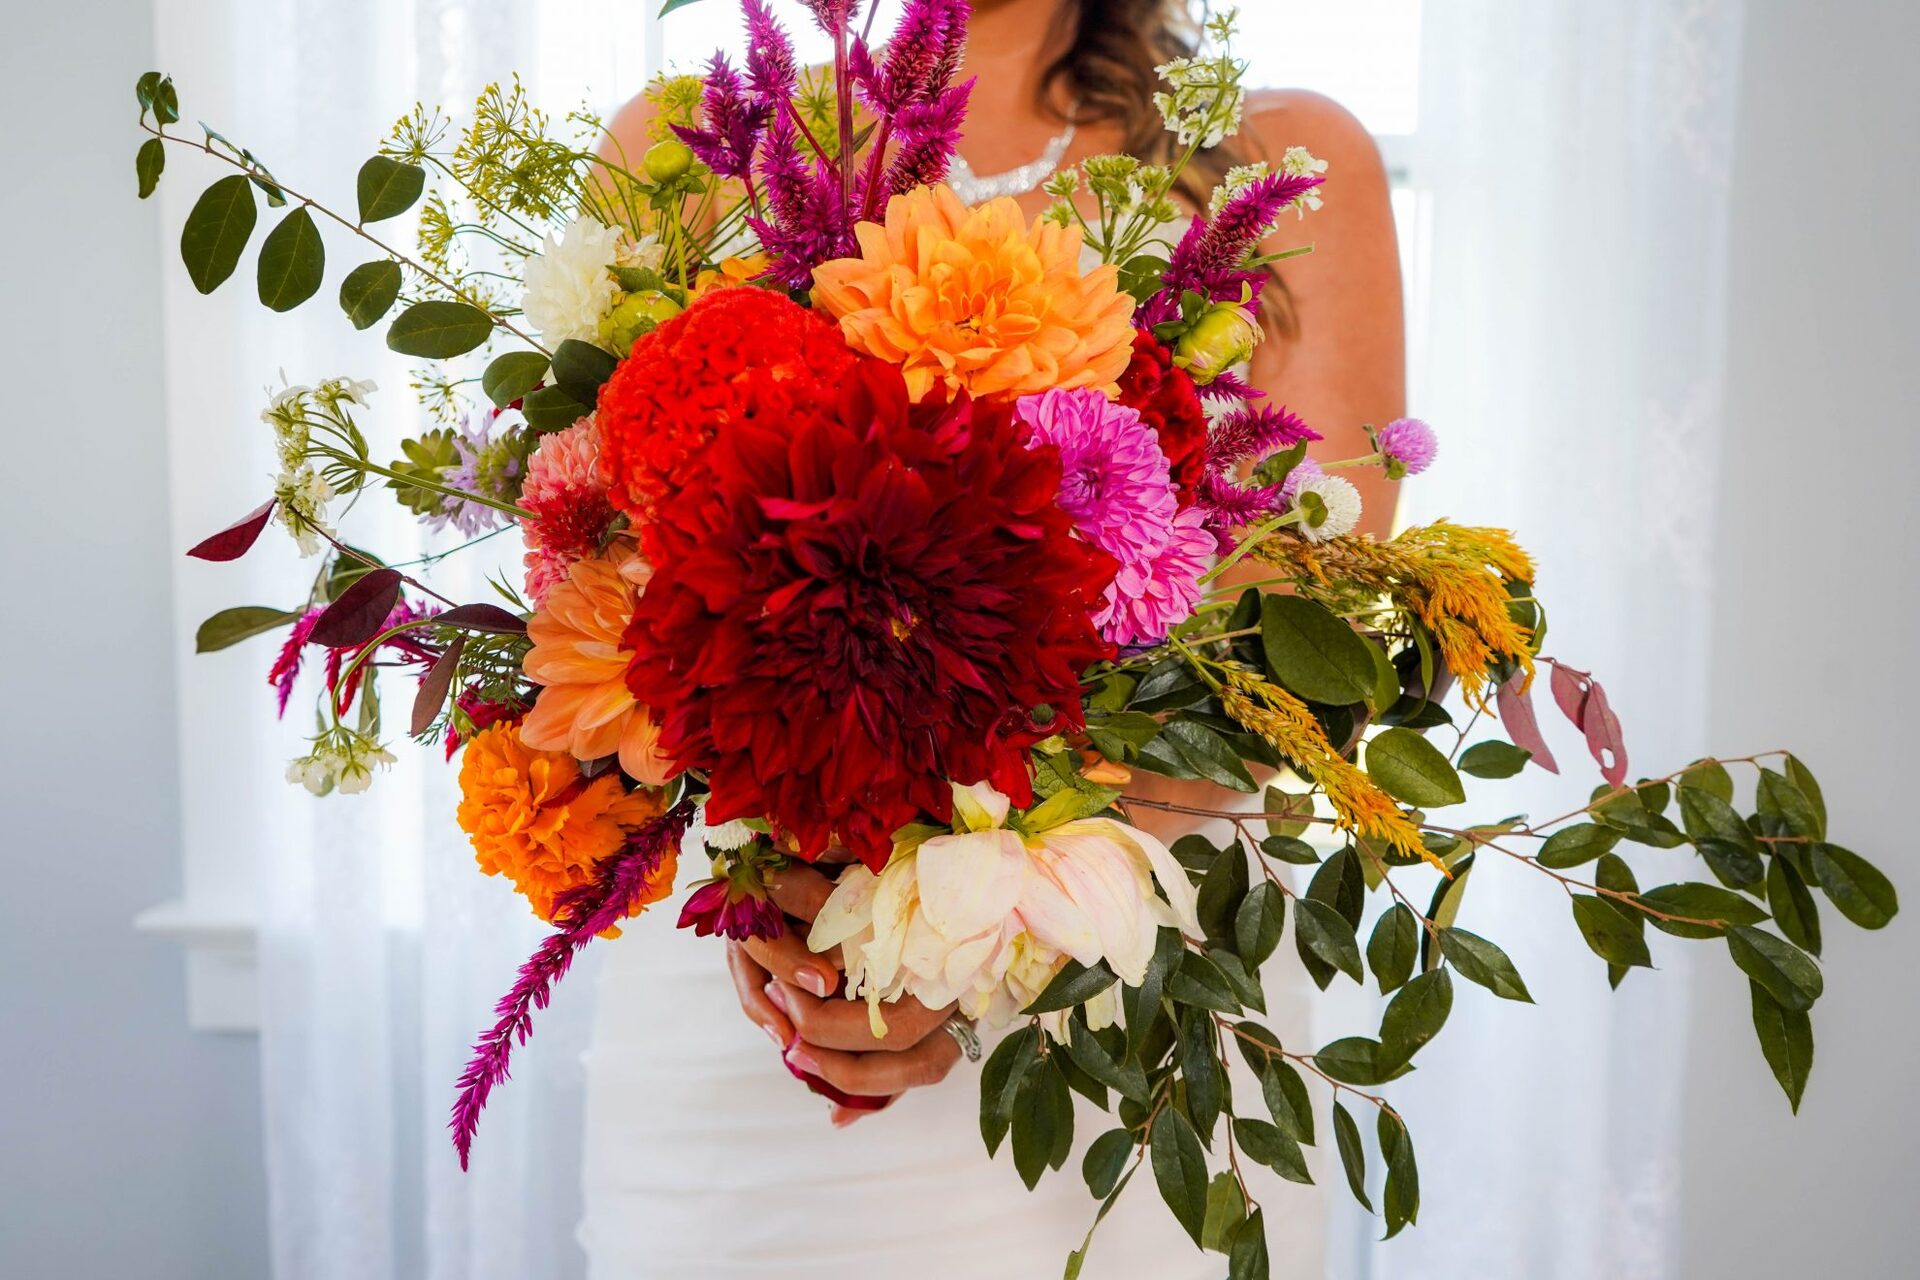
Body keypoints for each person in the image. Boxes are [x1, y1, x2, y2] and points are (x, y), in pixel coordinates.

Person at [579, 2, 1404, 1275]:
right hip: (764, 1021)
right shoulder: (684, 147)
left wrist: (964, 932)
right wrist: (784, 894)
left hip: (1118, 1030)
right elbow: (600, 592)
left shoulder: (1284, 163)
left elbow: (1292, 653)